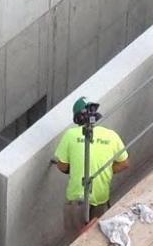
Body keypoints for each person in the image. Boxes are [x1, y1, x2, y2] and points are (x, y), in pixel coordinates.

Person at [53, 98, 128, 236]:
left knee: (75, 240)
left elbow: (62, 166)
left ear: (76, 118)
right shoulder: (111, 135)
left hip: (77, 199)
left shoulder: (71, 135)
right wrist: (105, 171)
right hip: (101, 198)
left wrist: (75, 167)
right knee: (98, 238)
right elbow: (124, 163)